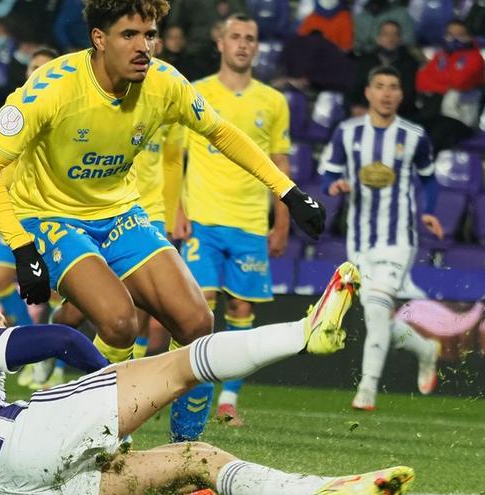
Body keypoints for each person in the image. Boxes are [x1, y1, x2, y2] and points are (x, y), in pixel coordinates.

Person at [0, 0, 326, 443]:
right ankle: (81, 433)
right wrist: (22, 247)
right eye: (129, 36)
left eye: (150, 35)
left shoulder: (164, 83)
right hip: (51, 216)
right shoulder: (53, 87)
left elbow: (221, 132)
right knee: (119, 323)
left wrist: (288, 192)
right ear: (99, 39)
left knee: (196, 323)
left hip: (120, 212)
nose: (144, 47)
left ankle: (185, 453)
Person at [0, 277, 417, 495]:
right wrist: (115, 384)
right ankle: (307, 332)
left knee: (194, 461)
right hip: (16, 437)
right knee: (179, 362)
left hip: (8, 490)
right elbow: (61, 339)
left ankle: (325, 491)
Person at [171, 14, 292, 429]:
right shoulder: (195, 92)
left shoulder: (273, 102)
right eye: (235, 37)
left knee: (240, 309)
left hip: (250, 223)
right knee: (199, 309)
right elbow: (177, 155)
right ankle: (189, 395)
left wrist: (282, 222)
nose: (243, 44)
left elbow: (280, 164)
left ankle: (228, 401)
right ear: (220, 43)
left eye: (251, 39)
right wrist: (177, 209)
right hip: (203, 219)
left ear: (257, 48)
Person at [319, 66, 443, 412]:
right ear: (369, 93)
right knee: (380, 316)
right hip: (358, 241)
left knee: (375, 310)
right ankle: (425, 349)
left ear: (401, 95)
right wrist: (334, 185)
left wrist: (429, 210)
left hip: (398, 239)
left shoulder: (414, 136)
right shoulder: (347, 133)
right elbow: (327, 171)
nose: (387, 93)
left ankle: (367, 390)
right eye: (380, 86)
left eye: (393, 87)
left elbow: (430, 179)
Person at [0, 47, 59, 331]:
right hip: (16, 209)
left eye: (46, 68)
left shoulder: (64, 112)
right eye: (34, 68)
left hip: (51, 211)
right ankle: (33, 343)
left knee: (54, 290)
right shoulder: (12, 110)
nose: (38, 73)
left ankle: (52, 354)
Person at [415, 19, 485, 154]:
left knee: (437, 133)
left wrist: (438, 80)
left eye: (459, 35)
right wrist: (446, 86)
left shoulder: (475, 58)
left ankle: (424, 170)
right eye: (450, 34)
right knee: (413, 127)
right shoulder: (440, 56)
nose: (454, 39)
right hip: (436, 113)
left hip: (462, 119)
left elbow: (460, 82)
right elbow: (421, 81)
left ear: (469, 37)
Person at [349, 20, 418, 118]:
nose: (391, 38)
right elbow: (353, 89)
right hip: (364, 113)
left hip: (397, 115)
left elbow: (407, 96)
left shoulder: (409, 63)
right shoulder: (366, 61)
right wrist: (354, 107)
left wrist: (375, 112)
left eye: (395, 34)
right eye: (386, 34)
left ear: (400, 39)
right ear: (378, 38)